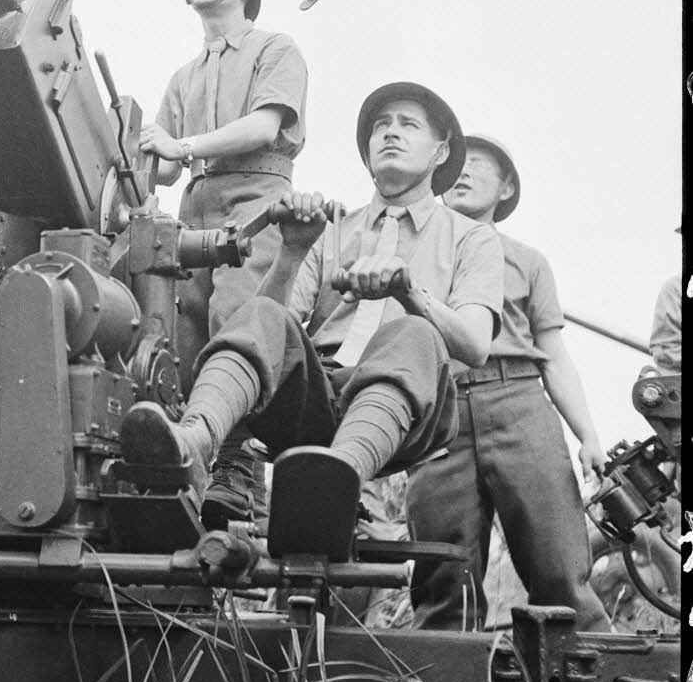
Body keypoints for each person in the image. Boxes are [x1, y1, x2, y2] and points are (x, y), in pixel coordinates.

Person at [121, 81, 504, 558]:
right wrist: (293, 250)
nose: (390, 133)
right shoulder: (334, 229)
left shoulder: (471, 238)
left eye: (409, 125)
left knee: (414, 331)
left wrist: (410, 293)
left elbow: (474, 344)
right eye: (381, 125)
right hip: (318, 394)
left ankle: (335, 482)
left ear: (441, 150)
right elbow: (270, 328)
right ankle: (193, 441)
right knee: (259, 310)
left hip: (408, 407)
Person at [403, 134, 611, 631]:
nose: (464, 171)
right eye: (455, 163)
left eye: (477, 164)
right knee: (443, 584)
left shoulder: (529, 260)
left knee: (559, 571)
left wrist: (589, 436)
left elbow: (555, 357)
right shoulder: (409, 252)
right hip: (440, 413)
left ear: (506, 187)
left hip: (520, 403)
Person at [137, 0, 309, 527]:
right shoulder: (183, 76)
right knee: (181, 331)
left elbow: (264, 126)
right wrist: (127, 139)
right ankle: (194, 465)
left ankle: (238, 467)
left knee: (237, 326)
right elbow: (158, 168)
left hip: (255, 200)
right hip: (194, 207)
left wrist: (180, 147)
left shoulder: (275, 49)